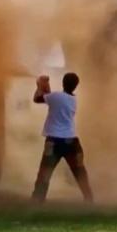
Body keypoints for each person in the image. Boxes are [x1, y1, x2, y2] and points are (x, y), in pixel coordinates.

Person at [32, 72, 94, 203]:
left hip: (54, 141)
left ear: (63, 82)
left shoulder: (56, 97)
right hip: (71, 141)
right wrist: (46, 86)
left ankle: (37, 200)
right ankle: (89, 198)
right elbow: (51, 98)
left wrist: (39, 84)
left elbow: (37, 98)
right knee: (79, 171)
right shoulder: (72, 99)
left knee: (45, 172)